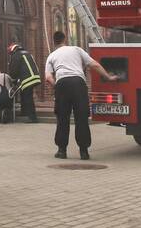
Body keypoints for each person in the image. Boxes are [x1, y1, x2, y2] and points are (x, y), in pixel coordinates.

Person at [43, 30, 116, 160]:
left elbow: (48, 77)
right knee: (81, 118)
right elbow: (95, 64)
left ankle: (61, 151)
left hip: (62, 83)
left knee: (62, 118)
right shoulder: (76, 50)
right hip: (78, 83)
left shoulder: (52, 56)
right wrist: (108, 77)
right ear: (65, 39)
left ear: (54, 42)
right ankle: (84, 151)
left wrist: (58, 85)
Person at [7, 43, 41, 123]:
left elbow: (14, 70)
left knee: (28, 97)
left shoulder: (16, 55)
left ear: (12, 51)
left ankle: (33, 118)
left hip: (27, 79)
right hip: (35, 77)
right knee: (24, 94)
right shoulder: (27, 53)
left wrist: (13, 79)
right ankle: (24, 112)